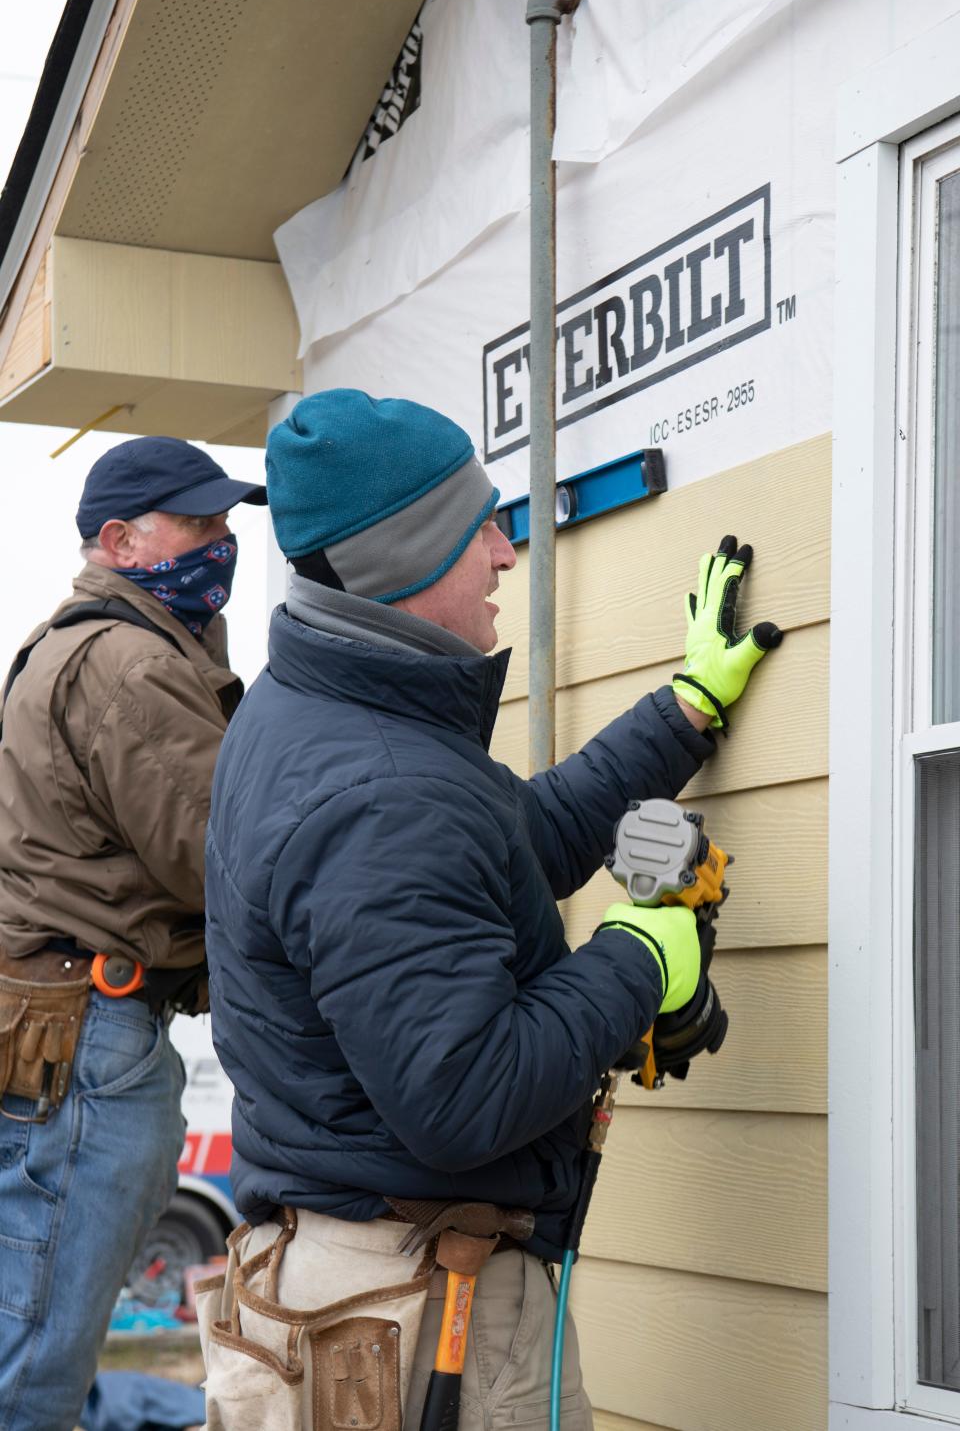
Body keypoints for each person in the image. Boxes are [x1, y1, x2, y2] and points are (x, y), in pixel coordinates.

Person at [200, 389, 782, 1430]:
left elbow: (512, 840)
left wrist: (684, 710)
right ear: (405, 560)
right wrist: (640, 957)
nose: (507, 553)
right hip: (419, 1309)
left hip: (356, 1273)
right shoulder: (382, 788)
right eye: (481, 525)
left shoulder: (322, 714)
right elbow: (463, 1093)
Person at [0, 435, 266, 1431]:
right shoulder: (129, 663)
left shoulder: (78, 643)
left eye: (225, 520)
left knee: (29, 1347)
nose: (222, 540)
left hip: (62, 1028)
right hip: (91, 1039)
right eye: (197, 522)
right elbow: (227, 862)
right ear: (117, 538)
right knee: (32, 1371)